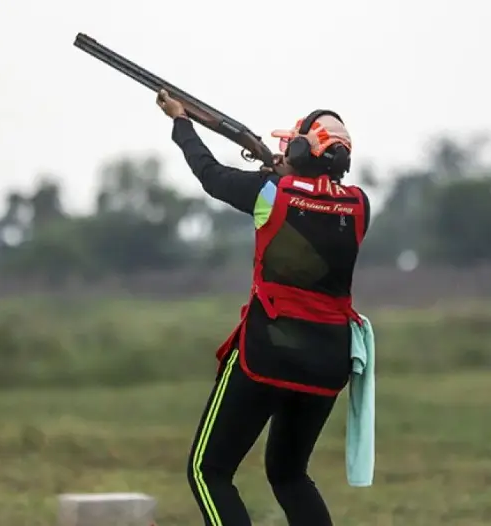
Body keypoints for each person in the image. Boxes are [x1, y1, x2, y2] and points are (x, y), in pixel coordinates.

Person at [155, 89, 371, 526]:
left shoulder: (270, 192)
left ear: (298, 151)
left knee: (209, 471)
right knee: (290, 476)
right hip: (329, 360)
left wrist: (181, 122)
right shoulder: (359, 204)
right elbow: (315, 201)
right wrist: (281, 170)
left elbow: (210, 175)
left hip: (268, 352)